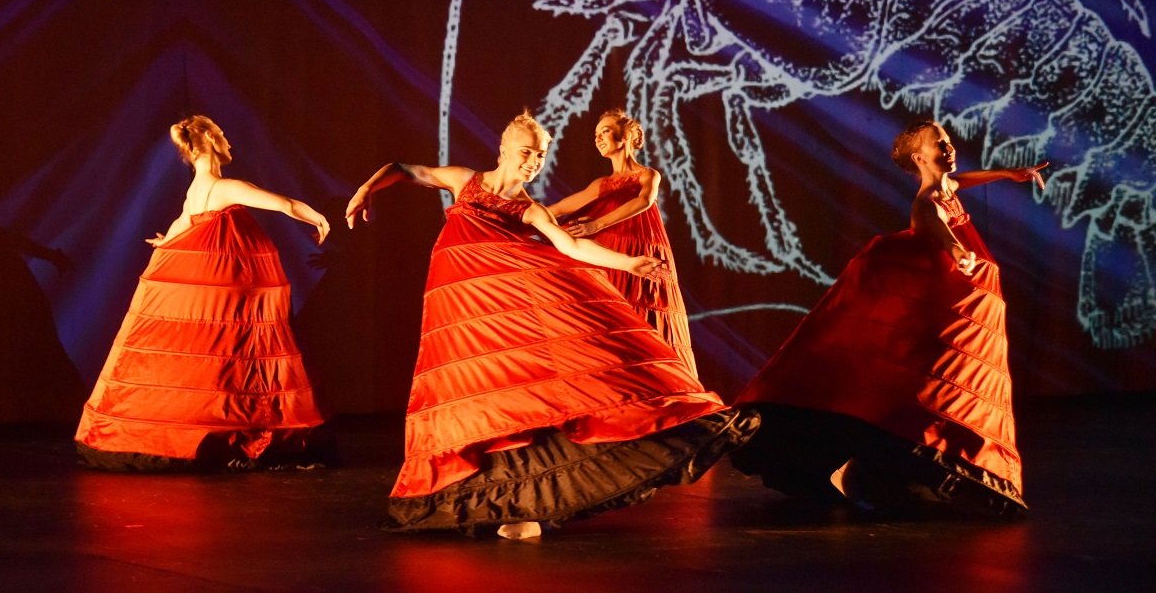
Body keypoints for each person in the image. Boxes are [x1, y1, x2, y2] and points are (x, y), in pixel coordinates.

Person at [345, 111, 759, 538]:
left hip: (499, 311)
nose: (533, 162)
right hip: (458, 312)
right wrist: (365, 189)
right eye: (526, 152)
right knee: (469, 399)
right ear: (504, 150)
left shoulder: (529, 210)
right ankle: (487, 498)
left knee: (516, 395)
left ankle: (520, 508)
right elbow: (407, 169)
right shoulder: (464, 180)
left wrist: (629, 261)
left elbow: (574, 245)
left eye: (540, 155)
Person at [731, 120, 1047, 517]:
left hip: (955, 296)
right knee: (923, 380)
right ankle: (856, 460)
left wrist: (1008, 174)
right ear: (919, 157)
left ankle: (875, 459)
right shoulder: (927, 202)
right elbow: (936, 229)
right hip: (943, 294)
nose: (949, 149)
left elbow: (962, 181)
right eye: (940, 145)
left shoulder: (946, 188)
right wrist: (958, 252)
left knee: (935, 378)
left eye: (948, 142)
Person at [75, 115, 334, 471]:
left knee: (221, 352)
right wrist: (317, 218)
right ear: (210, 140)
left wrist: (168, 240)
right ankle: (233, 425)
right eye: (223, 135)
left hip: (225, 288)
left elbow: (183, 222)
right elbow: (284, 204)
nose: (229, 142)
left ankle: (210, 422)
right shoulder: (222, 188)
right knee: (234, 351)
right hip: (229, 290)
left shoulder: (196, 191)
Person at [546, 109, 697, 377]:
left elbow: (643, 201)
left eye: (604, 131)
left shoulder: (647, 175)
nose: (598, 139)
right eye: (596, 134)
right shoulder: (601, 184)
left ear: (626, 135)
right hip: (613, 255)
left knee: (647, 311)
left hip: (642, 249)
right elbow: (557, 208)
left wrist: (596, 225)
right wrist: (518, 213)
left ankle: (662, 382)